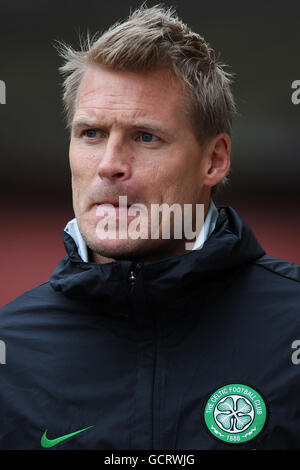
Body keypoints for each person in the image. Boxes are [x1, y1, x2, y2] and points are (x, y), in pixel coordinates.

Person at [0, 4, 300, 451]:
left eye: (145, 137)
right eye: (91, 134)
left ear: (214, 160)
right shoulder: (10, 350)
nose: (110, 166)